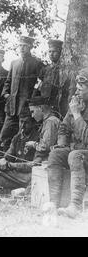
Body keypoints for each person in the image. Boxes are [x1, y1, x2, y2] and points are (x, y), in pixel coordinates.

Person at [0, 97, 59, 192]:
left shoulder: (50, 123)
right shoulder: (19, 137)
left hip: (36, 173)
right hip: (31, 172)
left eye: (33, 112)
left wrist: (10, 165)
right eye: (21, 122)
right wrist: (5, 160)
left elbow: (38, 160)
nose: (32, 116)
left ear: (41, 108)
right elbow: (8, 155)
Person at [45, 67, 88, 219]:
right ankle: (53, 203)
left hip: (83, 153)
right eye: (76, 88)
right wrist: (62, 144)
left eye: (80, 89)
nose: (76, 93)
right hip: (78, 151)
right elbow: (63, 128)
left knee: (75, 156)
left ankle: (75, 206)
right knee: (55, 154)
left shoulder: (76, 108)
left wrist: (77, 114)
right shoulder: (77, 103)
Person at [0, 36, 44, 151]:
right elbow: (8, 81)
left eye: (25, 46)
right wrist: (6, 94)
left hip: (26, 108)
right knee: (4, 135)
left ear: (30, 47)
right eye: (20, 45)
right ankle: (4, 160)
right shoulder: (14, 63)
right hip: (11, 107)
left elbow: (40, 83)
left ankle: (18, 162)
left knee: (22, 137)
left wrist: (32, 99)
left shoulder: (36, 63)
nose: (22, 48)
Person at [35, 39, 75, 118]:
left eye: (54, 52)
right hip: (45, 105)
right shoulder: (45, 70)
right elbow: (37, 87)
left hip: (59, 105)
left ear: (60, 52)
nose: (51, 54)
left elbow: (71, 90)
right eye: (49, 51)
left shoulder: (66, 70)